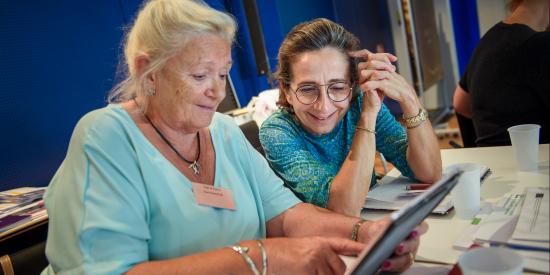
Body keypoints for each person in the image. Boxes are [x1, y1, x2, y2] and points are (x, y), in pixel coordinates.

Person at [41, 1, 427, 274]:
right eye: (199, 76)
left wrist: (366, 234)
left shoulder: (222, 131)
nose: (217, 91)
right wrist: (262, 258)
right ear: (149, 72)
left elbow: (287, 217)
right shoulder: (106, 137)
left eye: (223, 74)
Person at [259, 18, 442, 216]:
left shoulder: (359, 105)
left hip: (371, 226)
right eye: (308, 89)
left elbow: (429, 173)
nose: (323, 106)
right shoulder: (277, 132)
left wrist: (409, 99)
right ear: (286, 90)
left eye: (337, 87)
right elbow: (343, 208)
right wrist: (368, 117)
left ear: (352, 85)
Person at [453, 0, 550, 146]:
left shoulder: (490, 39)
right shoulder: (541, 46)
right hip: (531, 163)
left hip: (492, 162)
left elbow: (460, 102)